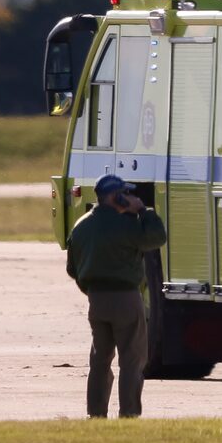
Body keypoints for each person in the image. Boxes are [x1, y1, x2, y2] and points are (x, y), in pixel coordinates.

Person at [62, 173, 168, 418]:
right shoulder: (128, 224)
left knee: (100, 360)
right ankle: (129, 414)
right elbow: (157, 237)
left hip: (96, 301)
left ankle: (96, 414)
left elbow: (72, 268)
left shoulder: (81, 225)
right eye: (126, 193)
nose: (130, 197)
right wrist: (144, 211)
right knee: (132, 360)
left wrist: (90, 288)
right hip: (126, 299)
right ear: (114, 196)